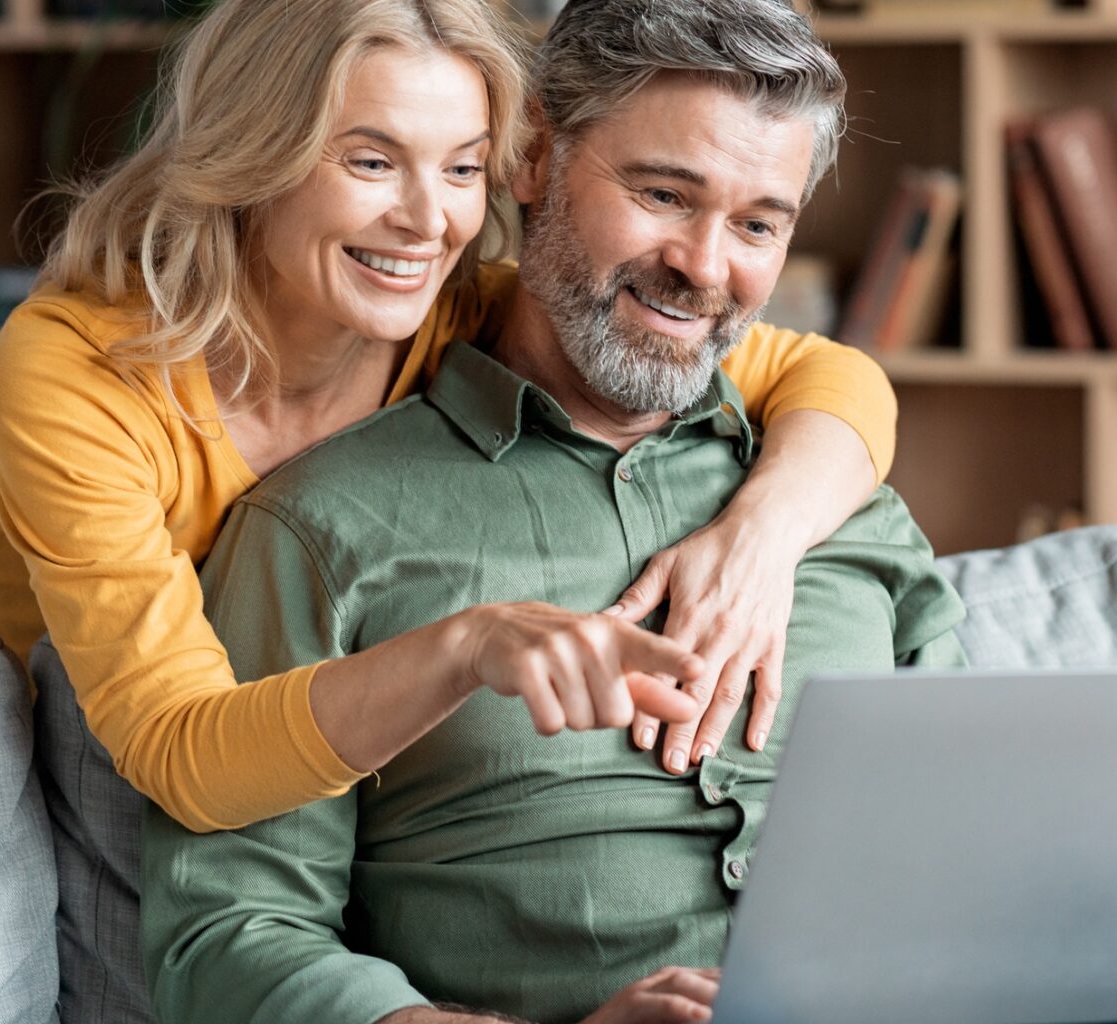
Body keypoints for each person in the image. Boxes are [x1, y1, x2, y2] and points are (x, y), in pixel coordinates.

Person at [0, 0, 904, 833]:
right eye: (371, 161)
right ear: (250, 157)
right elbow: (182, 749)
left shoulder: (449, 305)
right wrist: (470, 645)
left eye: (462, 166)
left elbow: (834, 380)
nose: (429, 220)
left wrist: (758, 539)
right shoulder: (76, 372)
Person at [139, 2, 972, 1021]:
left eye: (759, 223)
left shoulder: (839, 503)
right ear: (533, 157)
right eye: (664, 194)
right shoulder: (319, 528)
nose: (707, 268)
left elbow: (987, 840)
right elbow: (225, 935)